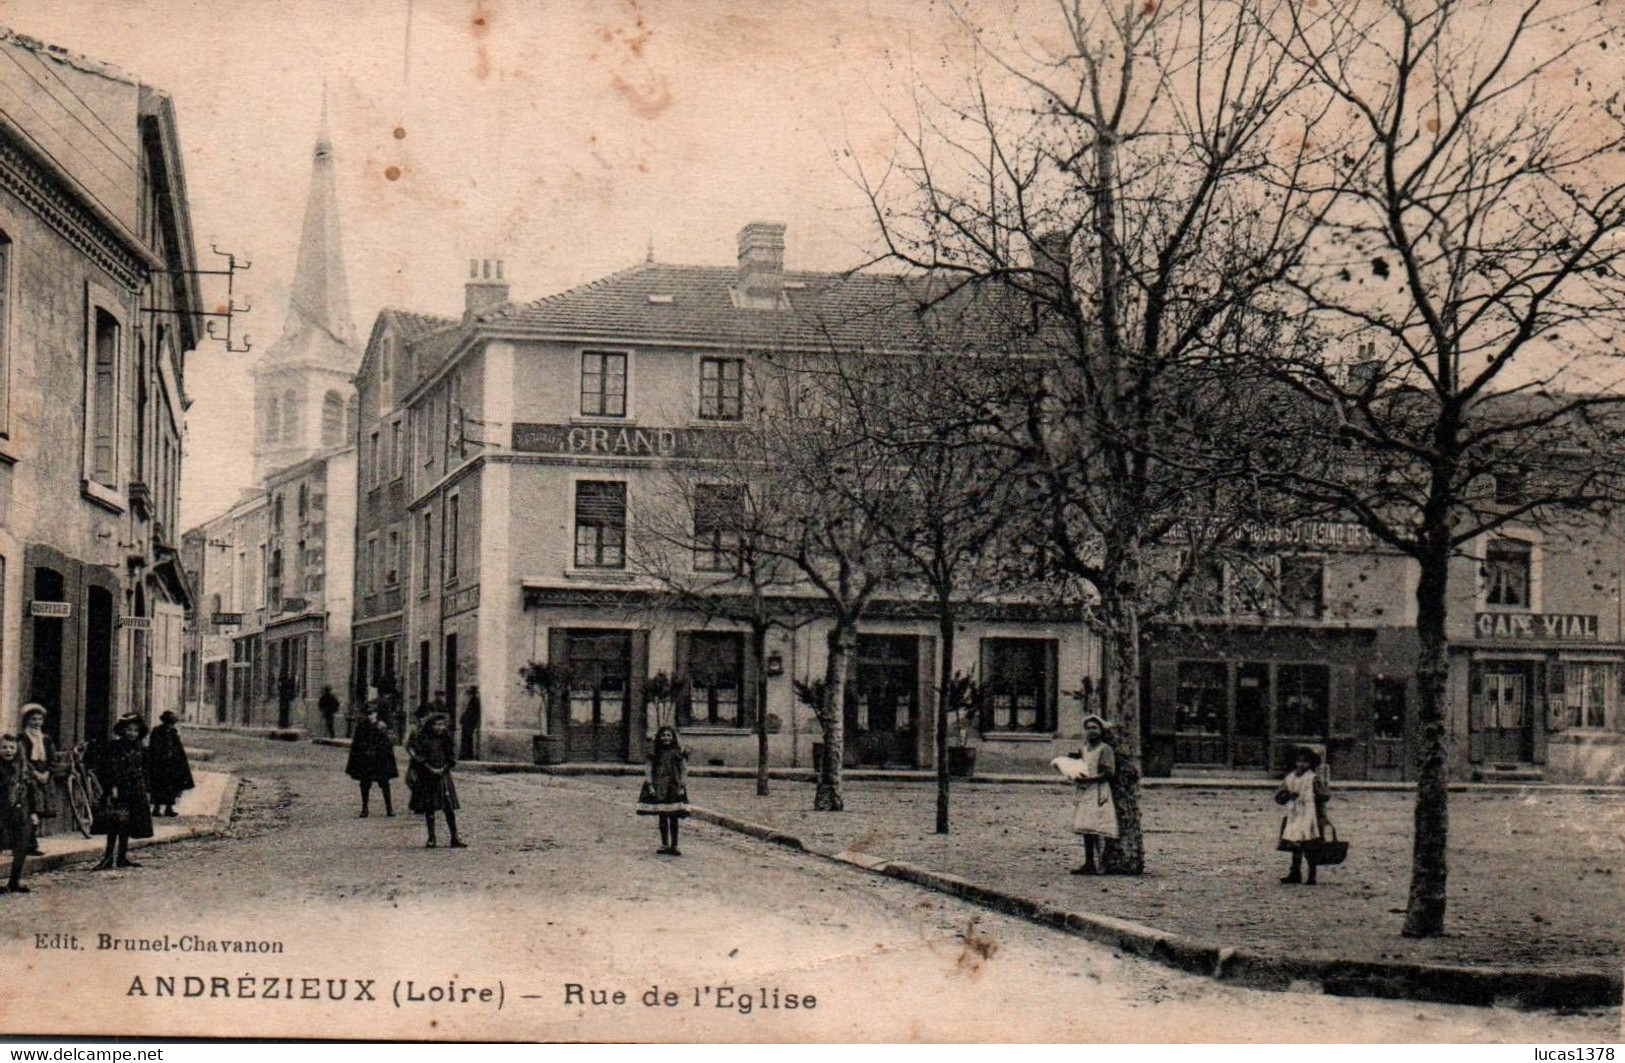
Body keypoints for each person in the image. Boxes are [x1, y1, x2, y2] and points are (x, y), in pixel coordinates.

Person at [1051, 715, 1118, 875]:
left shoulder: (1105, 749)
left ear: (1101, 730)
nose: (1091, 731)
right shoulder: (1084, 748)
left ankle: (1103, 863)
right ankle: (1089, 862)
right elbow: (1081, 766)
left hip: (1099, 791)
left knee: (1100, 827)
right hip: (1085, 790)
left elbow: (1109, 773)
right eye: (1088, 728)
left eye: (1094, 728)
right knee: (1086, 827)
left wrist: (1091, 778)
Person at [93, 714, 154, 871]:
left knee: (127, 824)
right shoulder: (114, 747)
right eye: (129, 730)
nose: (132, 733)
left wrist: (146, 789)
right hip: (119, 789)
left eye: (135, 730)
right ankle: (108, 857)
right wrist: (112, 787)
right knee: (115, 822)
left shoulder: (141, 748)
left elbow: (145, 769)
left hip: (135, 789)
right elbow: (108, 768)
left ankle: (122, 857)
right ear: (122, 730)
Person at [407, 713, 464, 848]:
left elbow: (452, 757)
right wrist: (429, 768)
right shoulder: (423, 738)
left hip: (443, 776)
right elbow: (419, 757)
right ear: (430, 725)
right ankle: (431, 837)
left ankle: (454, 837)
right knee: (430, 807)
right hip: (428, 776)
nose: (441, 727)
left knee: (448, 807)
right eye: (437, 725)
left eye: (442, 725)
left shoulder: (446, 739)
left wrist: (444, 769)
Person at [1276, 746, 1331, 885]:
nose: (1301, 765)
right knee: (1295, 844)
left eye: (1305, 762)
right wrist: (1287, 795)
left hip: (1310, 816)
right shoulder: (1290, 778)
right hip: (1294, 815)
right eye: (1298, 761)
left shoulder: (1314, 778)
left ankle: (1312, 875)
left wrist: (1316, 797)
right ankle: (1295, 872)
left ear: (1311, 763)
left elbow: (1324, 796)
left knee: (1310, 845)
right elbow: (1279, 797)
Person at [637, 726, 689, 856]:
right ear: (659, 738)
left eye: (669, 735)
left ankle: (675, 845)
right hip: (660, 787)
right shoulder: (654, 752)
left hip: (674, 787)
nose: (666, 738)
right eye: (663, 735)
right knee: (662, 815)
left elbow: (684, 769)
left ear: (673, 738)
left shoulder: (678, 752)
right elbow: (648, 769)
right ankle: (664, 844)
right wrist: (650, 785)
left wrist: (682, 786)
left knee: (674, 816)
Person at [0, 734, 39, 893]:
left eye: (11, 747)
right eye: (4, 747)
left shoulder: (24, 767)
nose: (8, 750)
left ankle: (14, 881)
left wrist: (34, 812)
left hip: (21, 811)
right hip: (1, 812)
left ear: (17, 749)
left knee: (21, 847)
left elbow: (32, 791)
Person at [346, 702, 399, 817]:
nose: (371, 716)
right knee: (365, 784)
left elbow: (388, 743)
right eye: (368, 713)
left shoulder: (382, 726)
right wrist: (364, 752)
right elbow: (357, 744)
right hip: (366, 760)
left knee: (385, 783)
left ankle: (389, 808)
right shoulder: (361, 727)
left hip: (380, 760)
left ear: (376, 714)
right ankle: (364, 808)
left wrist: (381, 748)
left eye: (373, 713)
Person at [17, 705, 57, 850]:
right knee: (29, 808)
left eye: (40, 719)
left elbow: (52, 758)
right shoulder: (22, 738)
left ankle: (31, 842)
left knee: (39, 810)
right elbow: (22, 759)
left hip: (44, 777)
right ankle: (28, 842)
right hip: (28, 776)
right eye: (33, 719)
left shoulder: (45, 739)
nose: (37, 722)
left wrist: (47, 772)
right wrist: (35, 773)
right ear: (27, 720)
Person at [146, 711, 194, 818]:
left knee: (171, 788)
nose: (170, 725)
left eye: (172, 723)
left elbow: (178, 748)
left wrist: (178, 761)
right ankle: (156, 809)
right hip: (159, 765)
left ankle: (169, 808)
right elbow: (154, 748)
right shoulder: (157, 731)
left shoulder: (173, 732)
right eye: (169, 723)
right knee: (158, 787)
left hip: (171, 765)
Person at [459, 686, 481, 762]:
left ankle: (466, 755)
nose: (469, 695)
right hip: (468, 723)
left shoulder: (475, 701)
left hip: (469, 724)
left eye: (470, 693)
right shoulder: (473, 700)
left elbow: (472, 713)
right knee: (467, 739)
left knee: (467, 739)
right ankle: (466, 755)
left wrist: (464, 719)